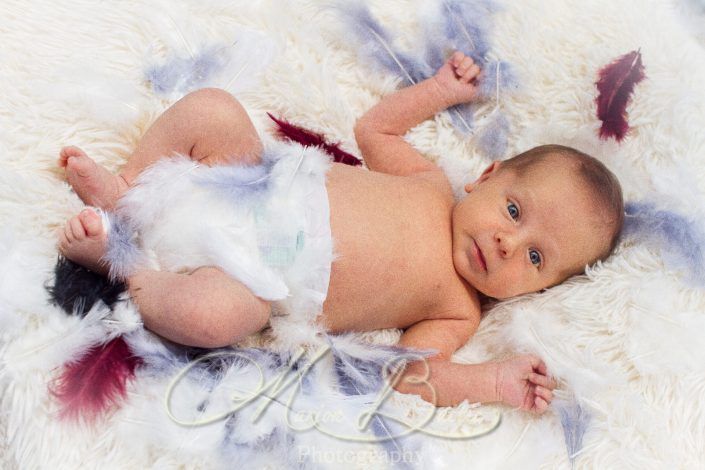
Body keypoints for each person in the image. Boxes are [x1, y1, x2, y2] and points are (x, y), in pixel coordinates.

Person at [56, 51, 623, 413]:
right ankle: (126, 192)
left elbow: (411, 374)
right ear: (487, 177)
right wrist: (441, 90)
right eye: (515, 213)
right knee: (214, 109)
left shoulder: (457, 309)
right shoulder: (427, 182)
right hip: (250, 182)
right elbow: (375, 127)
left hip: (256, 279)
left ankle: (123, 264)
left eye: (535, 259)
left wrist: (494, 383)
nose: (507, 244)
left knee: (220, 319)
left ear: (539, 291)